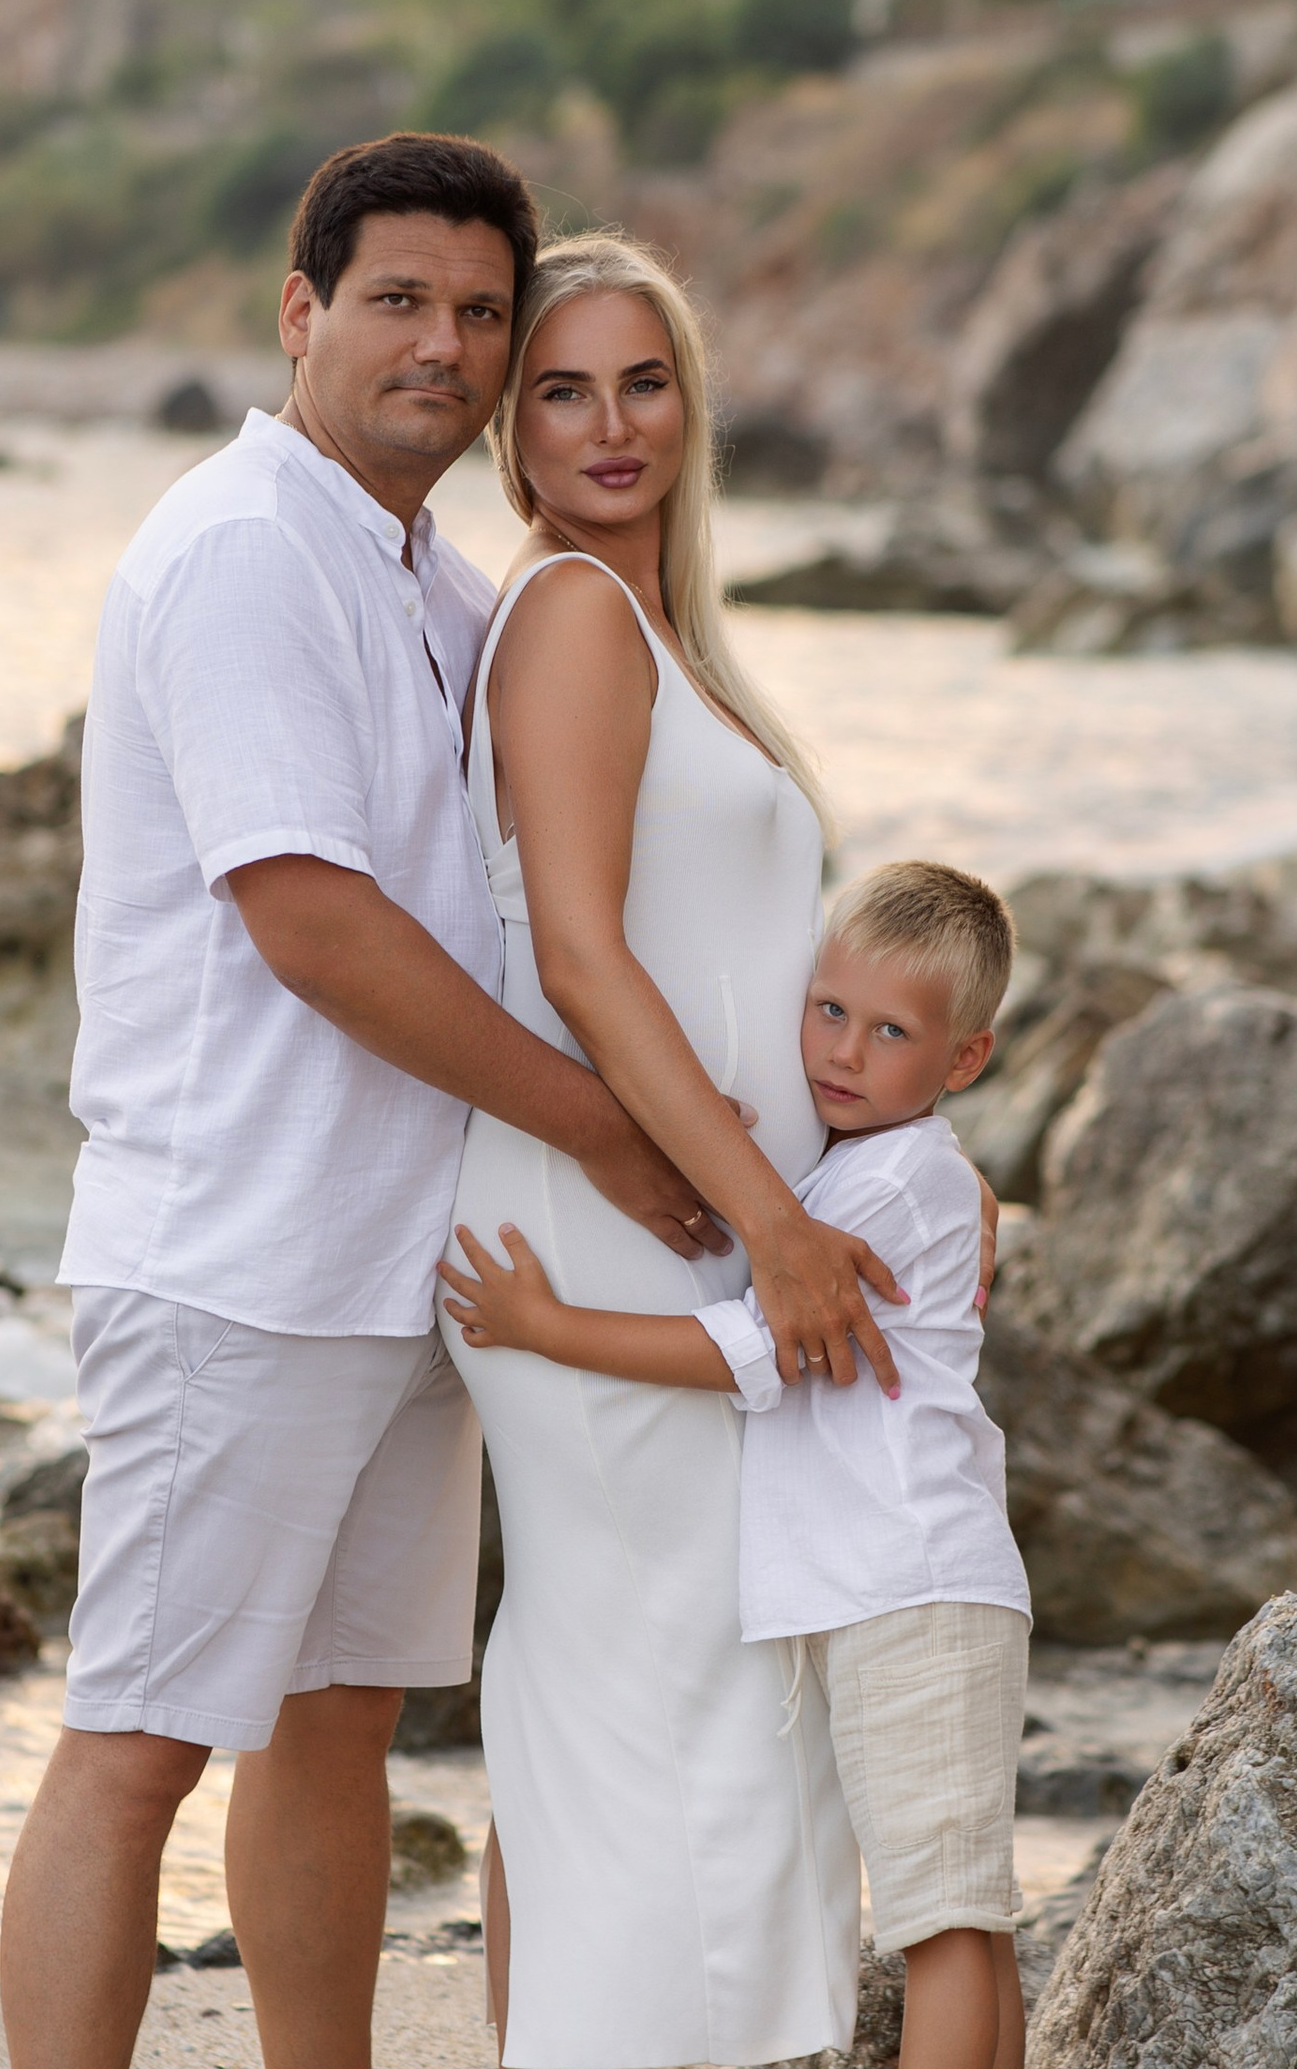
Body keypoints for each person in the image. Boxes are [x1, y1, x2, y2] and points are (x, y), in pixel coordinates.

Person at [0, 143, 895, 2069]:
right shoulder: (246, 546)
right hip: (238, 1249)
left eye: (482, 315)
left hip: (410, 1259)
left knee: (336, 1725)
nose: (449, 345)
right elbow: (313, 922)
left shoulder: (429, 575)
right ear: (303, 312)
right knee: (140, 1737)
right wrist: (599, 1123)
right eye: (402, 302)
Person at [441, 232, 919, 2069]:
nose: (611, 422)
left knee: (669, 1693)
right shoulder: (566, 615)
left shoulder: (661, 641)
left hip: (692, 1222)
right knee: (663, 1695)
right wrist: (772, 1219)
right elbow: (576, 953)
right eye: (562, 388)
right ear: (517, 434)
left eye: (644, 382)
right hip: (628, 1220)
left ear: (690, 408)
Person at [444, 859, 1033, 2069]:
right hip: (887, 1582)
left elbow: (754, 1347)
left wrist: (551, 1329)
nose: (844, 1052)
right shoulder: (874, 1167)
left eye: (890, 1032)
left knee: (943, 1921)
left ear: (961, 1061)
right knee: (951, 1909)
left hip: (911, 1580)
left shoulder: (899, 1176)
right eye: (828, 1010)